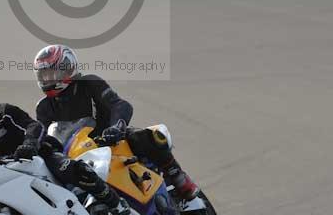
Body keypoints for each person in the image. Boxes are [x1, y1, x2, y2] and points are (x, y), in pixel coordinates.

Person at [16, 44, 200, 201]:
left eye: (51, 73)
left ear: (67, 68)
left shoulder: (89, 83)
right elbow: (47, 136)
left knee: (150, 136)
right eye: (43, 75)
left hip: (111, 140)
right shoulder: (43, 107)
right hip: (79, 156)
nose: (47, 79)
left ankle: (179, 178)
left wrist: (117, 127)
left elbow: (119, 104)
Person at [0, 87, 129, 215]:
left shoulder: (2, 113)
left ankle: (114, 203)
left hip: (38, 155)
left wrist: (29, 144)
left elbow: (34, 126)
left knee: (69, 169)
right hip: (6, 174)